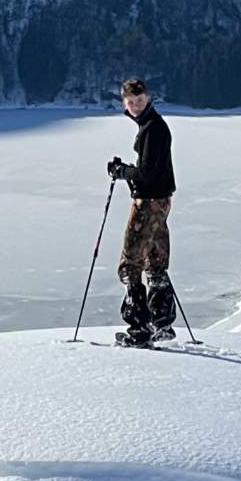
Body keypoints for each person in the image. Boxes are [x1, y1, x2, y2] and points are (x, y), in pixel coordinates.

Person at [106, 77, 177, 346]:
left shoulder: (152, 129)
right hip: (161, 200)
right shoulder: (153, 126)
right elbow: (151, 170)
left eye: (139, 100)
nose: (135, 105)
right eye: (130, 102)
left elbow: (146, 173)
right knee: (156, 261)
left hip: (147, 203)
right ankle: (162, 324)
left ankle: (139, 329)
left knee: (131, 263)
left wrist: (123, 172)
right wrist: (130, 171)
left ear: (147, 98)